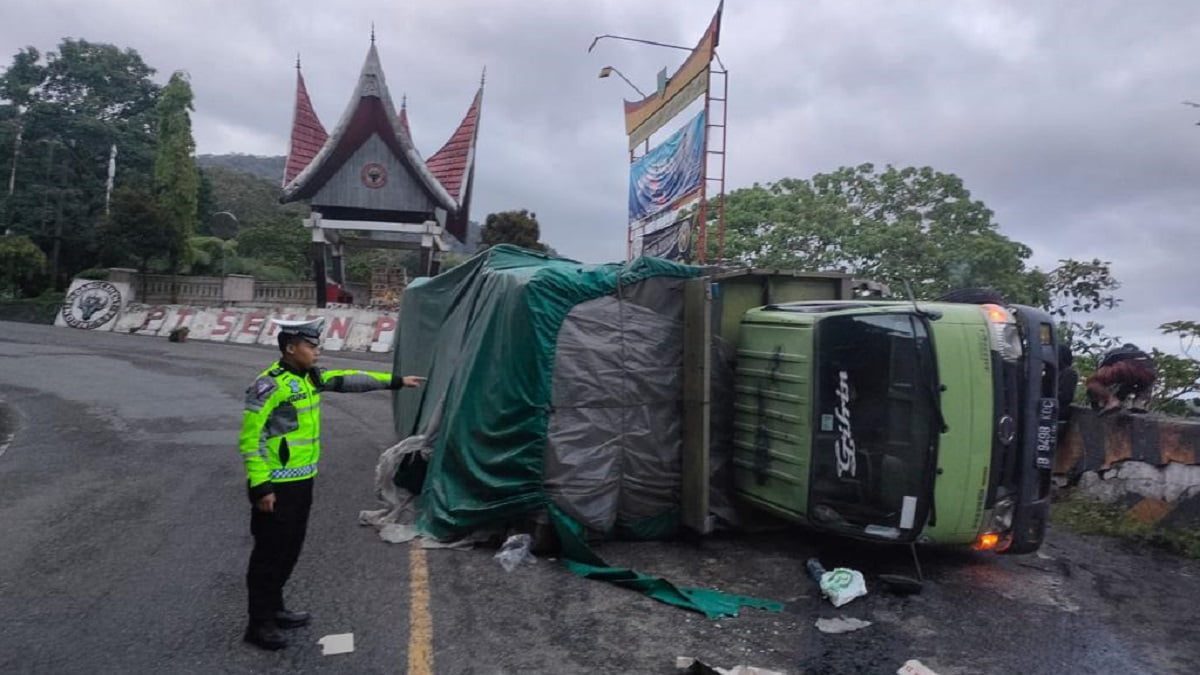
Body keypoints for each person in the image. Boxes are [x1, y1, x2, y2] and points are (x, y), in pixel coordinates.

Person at [238, 318, 424, 650]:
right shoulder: (269, 385)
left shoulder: (310, 377)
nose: (317, 351)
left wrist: (396, 381)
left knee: (290, 548)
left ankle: (275, 608)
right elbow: (251, 439)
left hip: (301, 480)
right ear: (291, 348)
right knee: (268, 553)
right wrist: (260, 485)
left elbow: (351, 379)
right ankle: (259, 623)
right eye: (311, 346)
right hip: (275, 485)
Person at [1085, 343, 1156, 416]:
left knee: (1093, 382)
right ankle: (1138, 404)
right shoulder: (1142, 354)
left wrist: (1101, 398)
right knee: (1128, 387)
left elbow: (1102, 372)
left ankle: (1112, 401)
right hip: (1150, 373)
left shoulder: (1116, 352)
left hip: (1128, 366)